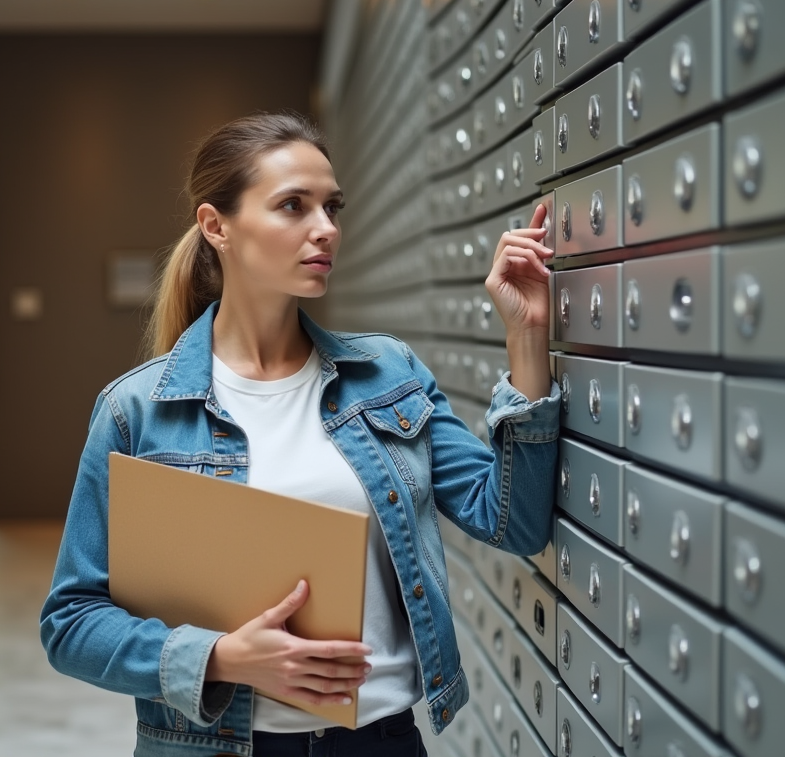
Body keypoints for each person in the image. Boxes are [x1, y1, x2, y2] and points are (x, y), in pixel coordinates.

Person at [40, 112, 560, 757]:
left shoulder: (387, 374)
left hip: (380, 742)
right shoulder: (136, 410)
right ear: (216, 226)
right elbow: (71, 625)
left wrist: (527, 337)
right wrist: (223, 657)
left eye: (332, 207)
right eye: (293, 206)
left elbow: (512, 522)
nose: (326, 231)